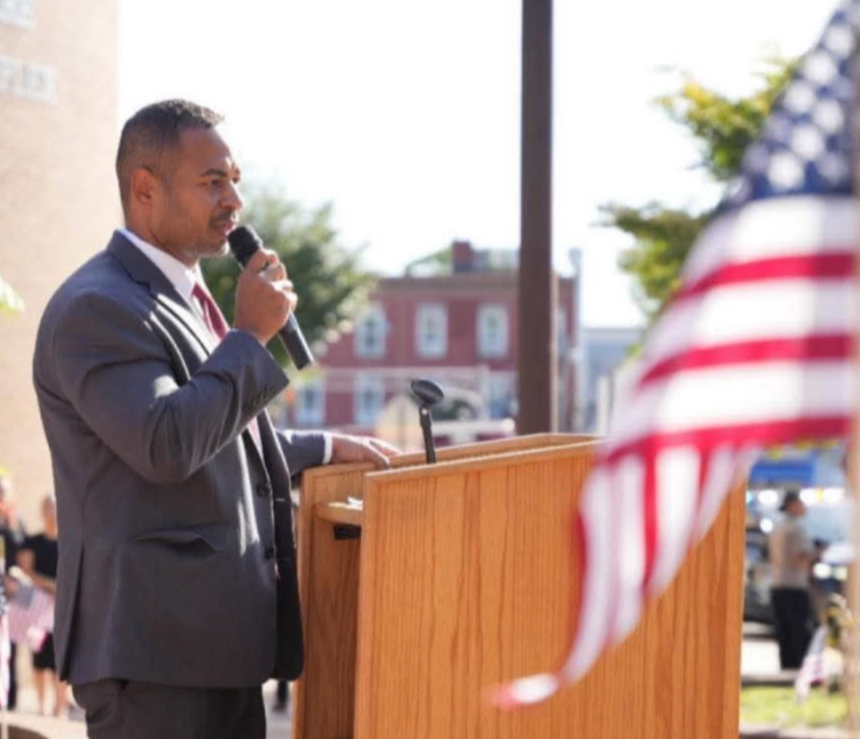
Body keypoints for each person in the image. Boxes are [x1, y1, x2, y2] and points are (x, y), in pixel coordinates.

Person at [32, 99, 397, 738]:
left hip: (216, 648)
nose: (234, 200)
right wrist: (251, 337)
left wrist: (328, 446)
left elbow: (216, 437)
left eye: (235, 181)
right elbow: (166, 441)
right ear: (145, 187)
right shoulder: (98, 307)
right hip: (152, 659)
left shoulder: (186, 301)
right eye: (212, 182)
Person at [17, 495, 66, 716]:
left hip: (62, 610)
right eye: (47, 506)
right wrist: (49, 585)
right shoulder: (32, 541)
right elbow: (24, 569)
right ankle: (41, 706)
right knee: (39, 658)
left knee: (61, 658)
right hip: (37, 609)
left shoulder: (69, 541)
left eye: (54, 506)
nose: (51, 511)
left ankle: (60, 706)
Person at [769, 490, 822, 669]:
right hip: (794, 586)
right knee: (799, 631)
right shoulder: (797, 529)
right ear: (792, 505)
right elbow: (800, 560)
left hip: (777, 584)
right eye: (801, 503)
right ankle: (800, 671)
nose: (804, 507)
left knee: (784, 633)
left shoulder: (777, 528)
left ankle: (786, 669)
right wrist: (819, 553)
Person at [0, 472, 26, 710]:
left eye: (3, 493)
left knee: (12, 645)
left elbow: (22, 550)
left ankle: (10, 701)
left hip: (14, 593)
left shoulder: (17, 524)